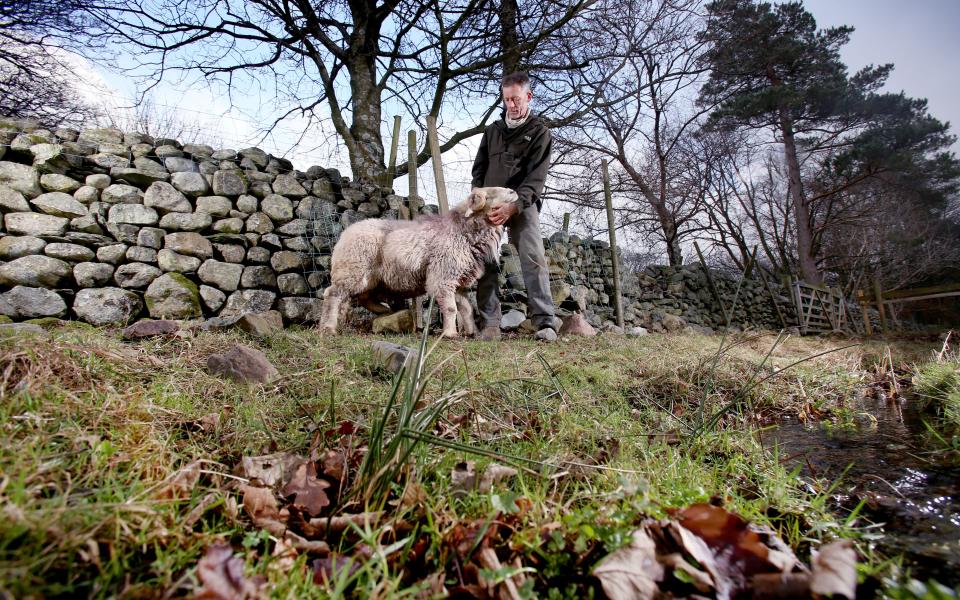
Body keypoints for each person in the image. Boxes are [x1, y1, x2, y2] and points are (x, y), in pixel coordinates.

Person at [471, 71, 557, 342]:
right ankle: (490, 324)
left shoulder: (541, 133)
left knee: (533, 257)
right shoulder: (492, 131)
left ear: (528, 97)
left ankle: (545, 323)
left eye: (516, 99)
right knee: (485, 258)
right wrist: (479, 197)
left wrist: (515, 206)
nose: (511, 105)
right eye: (507, 99)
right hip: (490, 204)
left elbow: (536, 180)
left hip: (522, 204)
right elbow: (479, 169)